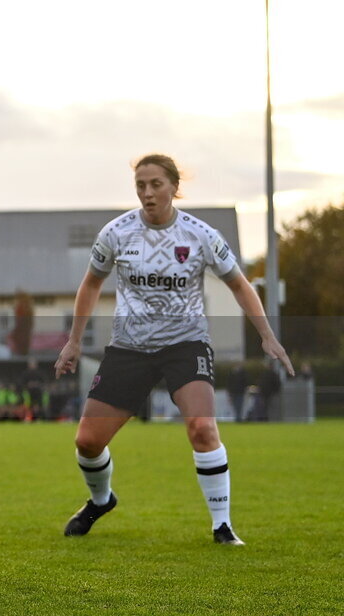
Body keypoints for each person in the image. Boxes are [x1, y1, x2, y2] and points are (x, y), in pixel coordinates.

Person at [54, 153, 294, 546]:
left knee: (202, 428)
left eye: (156, 185)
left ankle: (222, 526)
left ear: (174, 188)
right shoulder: (116, 233)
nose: (147, 193)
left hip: (186, 343)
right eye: (141, 186)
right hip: (129, 348)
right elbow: (91, 285)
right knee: (87, 441)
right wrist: (75, 342)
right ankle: (101, 500)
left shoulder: (201, 235)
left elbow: (239, 283)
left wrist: (267, 335)